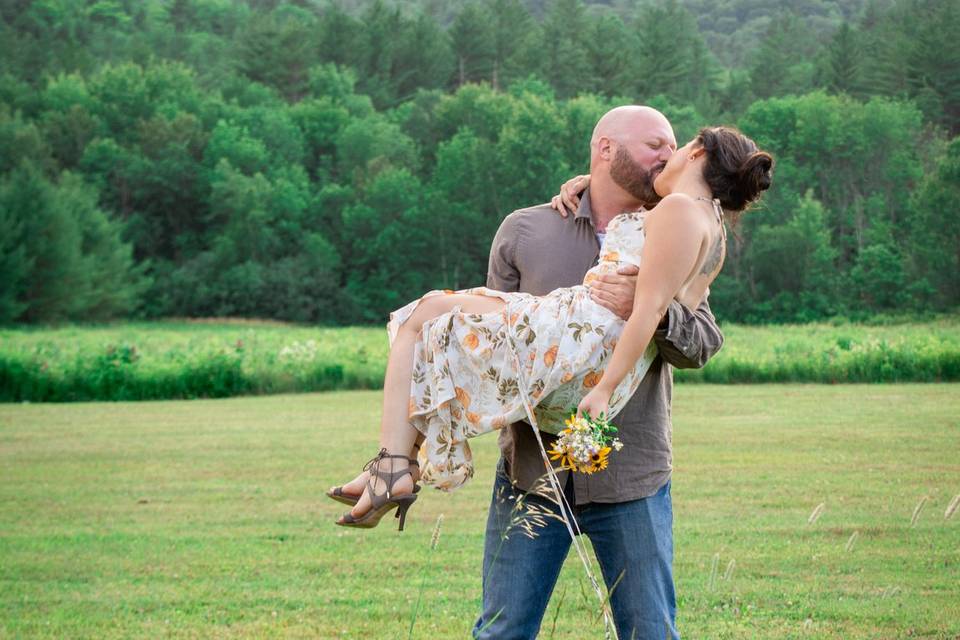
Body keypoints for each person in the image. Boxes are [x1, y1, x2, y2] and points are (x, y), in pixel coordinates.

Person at [327, 112, 773, 635]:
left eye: (673, 145)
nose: (665, 154)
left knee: (650, 630)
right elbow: (486, 356)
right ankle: (394, 466)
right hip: (530, 472)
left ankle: (394, 467)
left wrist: (647, 310)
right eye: (655, 144)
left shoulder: (672, 218)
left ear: (696, 157)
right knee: (502, 631)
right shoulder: (528, 229)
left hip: (632, 477)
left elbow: (703, 341)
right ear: (605, 150)